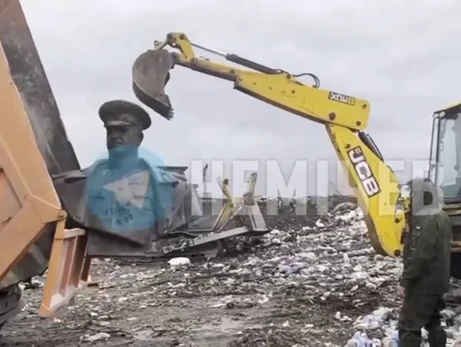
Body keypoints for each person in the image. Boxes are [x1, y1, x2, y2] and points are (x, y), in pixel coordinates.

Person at [84, 99, 169, 245]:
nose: (116, 136)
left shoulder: (169, 185)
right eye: (110, 131)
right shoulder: (79, 182)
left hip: (146, 261)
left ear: (140, 138)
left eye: (123, 130)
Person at [397, 177, 452, 347]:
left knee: (408, 326)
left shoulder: (426, 218)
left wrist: (406, 280)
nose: (411, 199)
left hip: (424, 283)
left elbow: (420, 253)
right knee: (433, 321)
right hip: (438, 280)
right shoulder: (442, 215)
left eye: (414, 195)